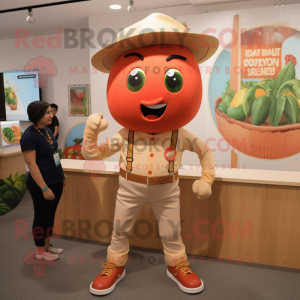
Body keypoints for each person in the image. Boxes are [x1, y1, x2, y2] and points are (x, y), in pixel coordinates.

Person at [82, 13, 218, 295]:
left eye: (173, 79)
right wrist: (90, 134)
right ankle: (115, 265)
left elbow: (205, 154)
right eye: (135, 79)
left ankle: (176, 264)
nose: (154, 98)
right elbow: (94, 154)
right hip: (128, 187)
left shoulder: (180, 135)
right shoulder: (125, 134)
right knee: (119, 230)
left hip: (167, 189)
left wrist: (207, 179)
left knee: (171, 233)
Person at [20, 101, 66, 261]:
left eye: (51, 112)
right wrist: (44, 188)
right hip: (42, 183)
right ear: (37, 115)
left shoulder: (46, 131)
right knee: (41, 216)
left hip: (56, 180)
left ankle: (47, 246)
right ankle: (40, 251)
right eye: (47, 112)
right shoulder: (28, 136)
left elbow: (55, 155)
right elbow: (31, 164)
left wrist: (62, 175)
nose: (51, 115)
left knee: (50, 215)